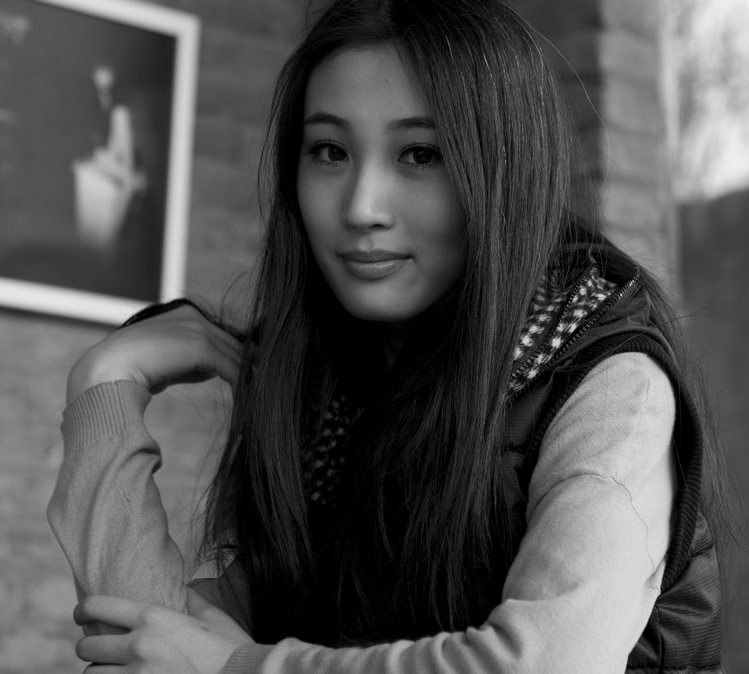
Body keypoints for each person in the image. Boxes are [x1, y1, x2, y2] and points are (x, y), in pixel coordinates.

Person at [47, 0, 726, 671]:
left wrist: (240, 667)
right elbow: (148, 643)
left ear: (504, 172)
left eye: (420, 154)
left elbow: (543, 663)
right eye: (330, 151)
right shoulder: (330, 398)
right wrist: (104, 384)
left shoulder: (610, 386)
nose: (362, 207)